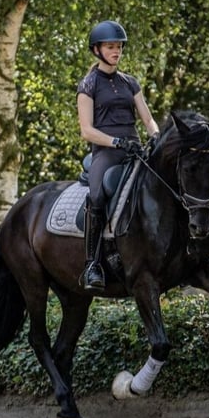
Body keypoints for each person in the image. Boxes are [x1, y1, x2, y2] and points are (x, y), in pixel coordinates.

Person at [76, 20, 160, 291]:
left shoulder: (130, 82)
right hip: (106, 152)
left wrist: (156, 136)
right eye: (110, 47)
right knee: (97, 195)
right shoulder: (88, 84)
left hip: (135, 148)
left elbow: (147, 119)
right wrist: (116, 141)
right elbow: (86, 131)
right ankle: (92, 264)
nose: (116, 51)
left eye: (119, 47)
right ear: (97, 50)